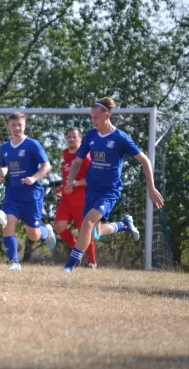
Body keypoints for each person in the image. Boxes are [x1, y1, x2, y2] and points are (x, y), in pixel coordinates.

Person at [62, 98, 165, 272]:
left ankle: (69, 267)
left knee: (87, 222)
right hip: (92, 189)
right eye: (91, 117)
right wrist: (70, 180)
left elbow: (145, 161)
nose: (93, 120)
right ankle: (123, 225)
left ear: (107, 115)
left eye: (96, 117)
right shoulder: (90, 136)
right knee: (94, 233)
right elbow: (77, 162)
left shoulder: (120, 138)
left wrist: (151, 188)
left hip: (109, 191)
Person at [54, 127, 138, 269]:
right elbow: (69, 177)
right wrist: (63, 187)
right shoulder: (65, 154)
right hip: (67, 199)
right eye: (69, 136)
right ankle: (78, 251)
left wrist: (77, 183)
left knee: (89, 233)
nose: (71, 139)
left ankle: (90, 261)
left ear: (81, 139)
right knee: (60, 226)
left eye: (74, 136)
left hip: (84, 198)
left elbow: (91, 178)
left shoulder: (86, 157)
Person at [0, 112, 56, 271]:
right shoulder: (4, 147)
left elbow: (47, 166)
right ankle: (14, 262)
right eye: (14, 125)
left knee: (33, 235)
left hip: (31, 195)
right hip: (12, 195)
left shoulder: (32, 144)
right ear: (9, 126)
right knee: (7, 225)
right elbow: (3, 165)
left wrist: (34, 178)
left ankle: (47, 231)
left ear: (25, 125)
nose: (17, 128)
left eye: (20, 125)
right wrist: (2, 173)